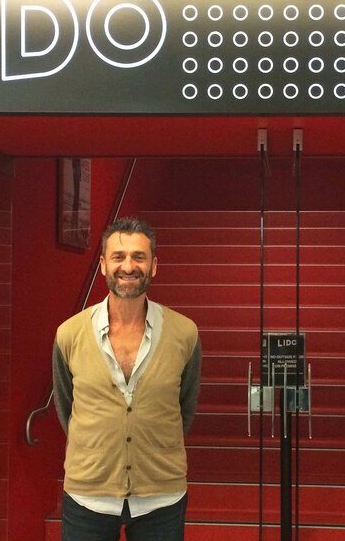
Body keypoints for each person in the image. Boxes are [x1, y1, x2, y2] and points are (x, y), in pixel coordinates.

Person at [52, 217, 202, 541]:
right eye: (118, 257)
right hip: (87, 496)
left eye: (139, 256)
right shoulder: (69, 334)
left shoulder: (184, 333)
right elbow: (68, 409)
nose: (129, 266)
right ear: (104, 265)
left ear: (154, 265)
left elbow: (183, 410)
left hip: (161, 497)